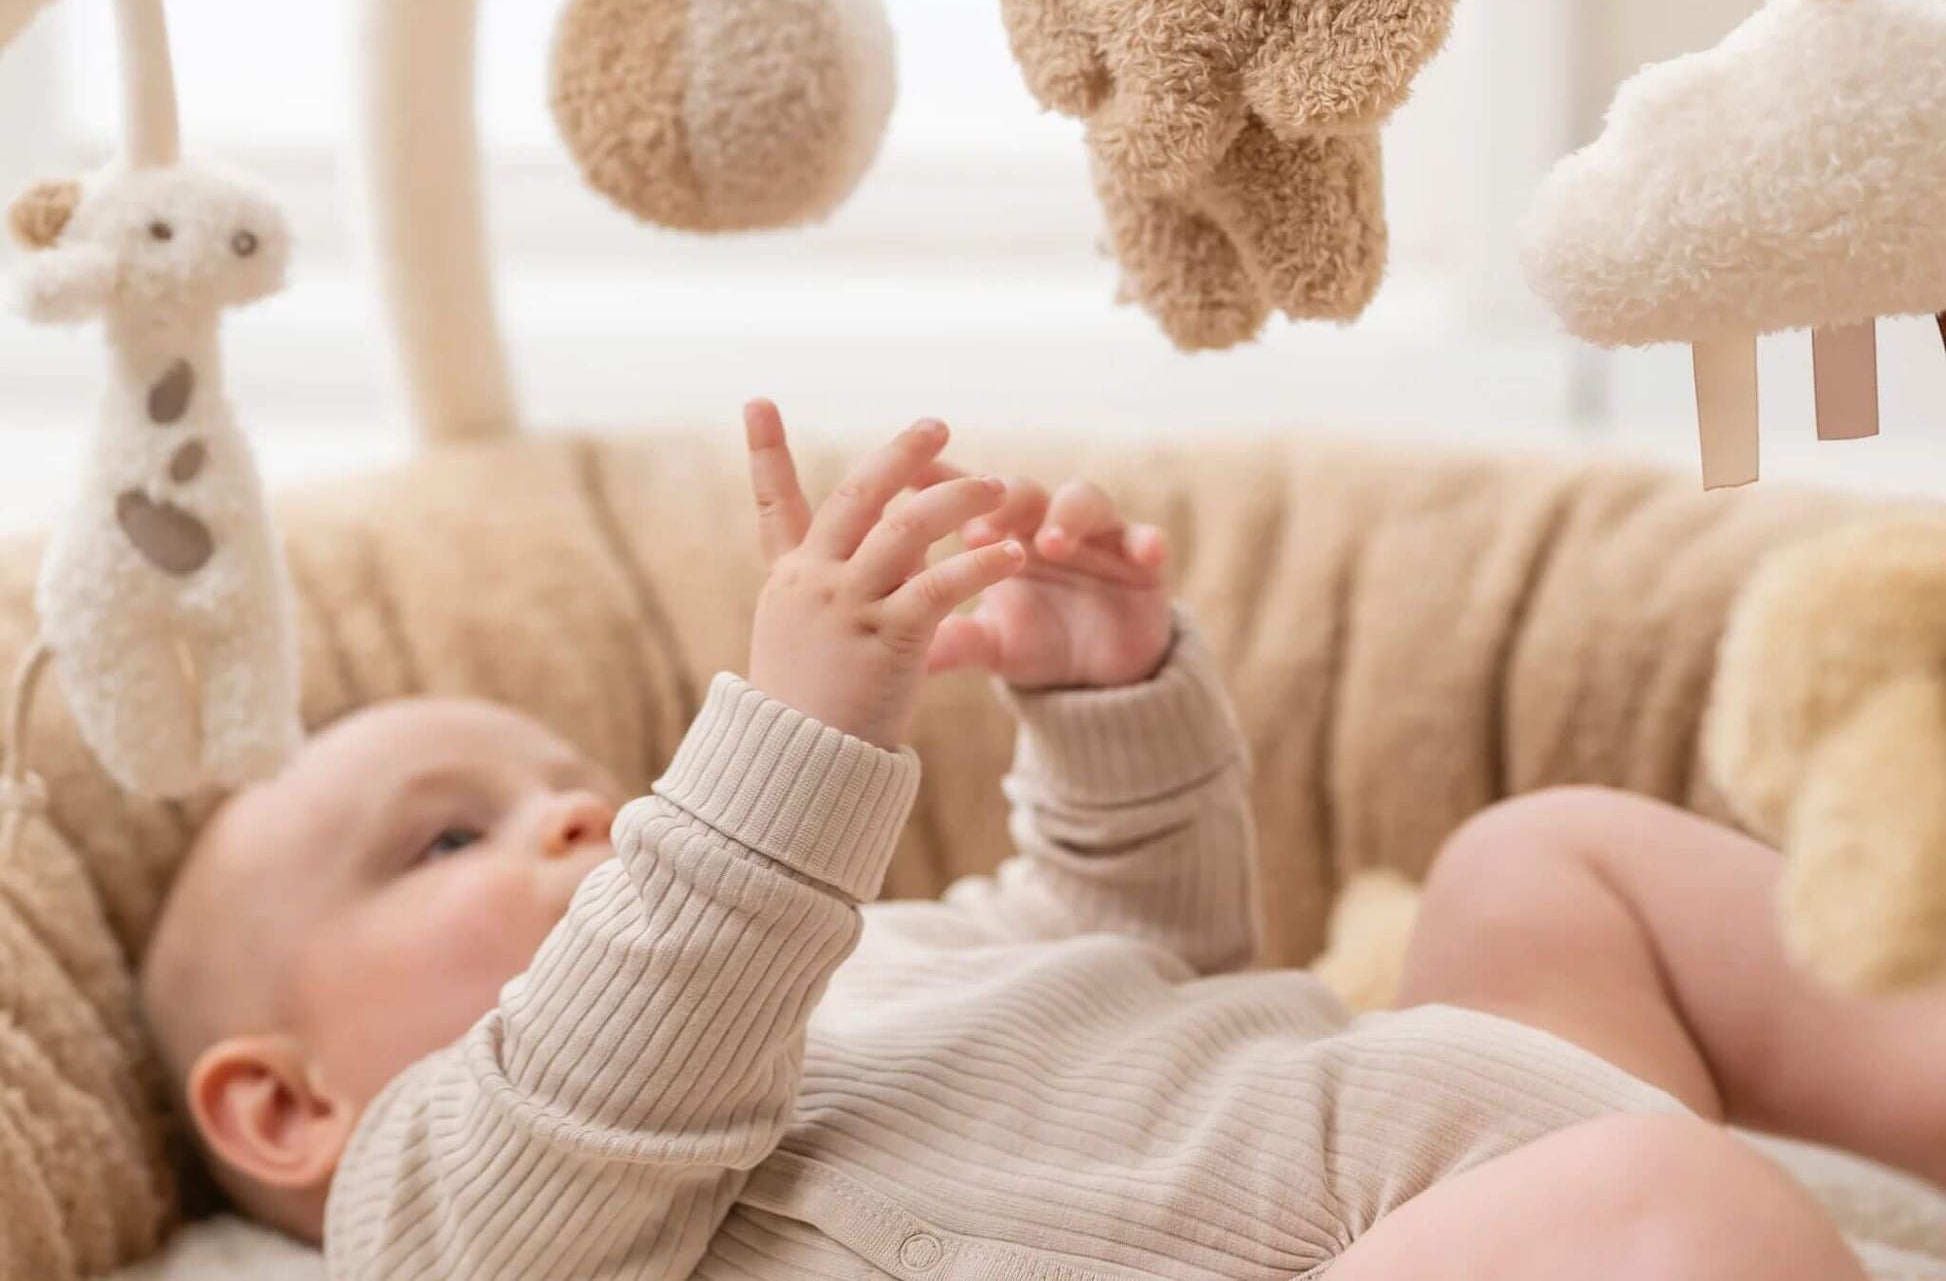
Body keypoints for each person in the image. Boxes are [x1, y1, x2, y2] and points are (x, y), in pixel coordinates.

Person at [141, 403, 1940, 1280]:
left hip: (1482, 1153)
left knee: (1538, 861)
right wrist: (781, 750)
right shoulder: (447, 1201)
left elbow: (1144, 941)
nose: (585, 811)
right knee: (1663, 1206)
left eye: (578, 776)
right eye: (450, 838)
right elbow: (630, 1040)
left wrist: (1107, 703)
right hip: (1455, 1231)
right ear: (288, 1104)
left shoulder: (860, 976)